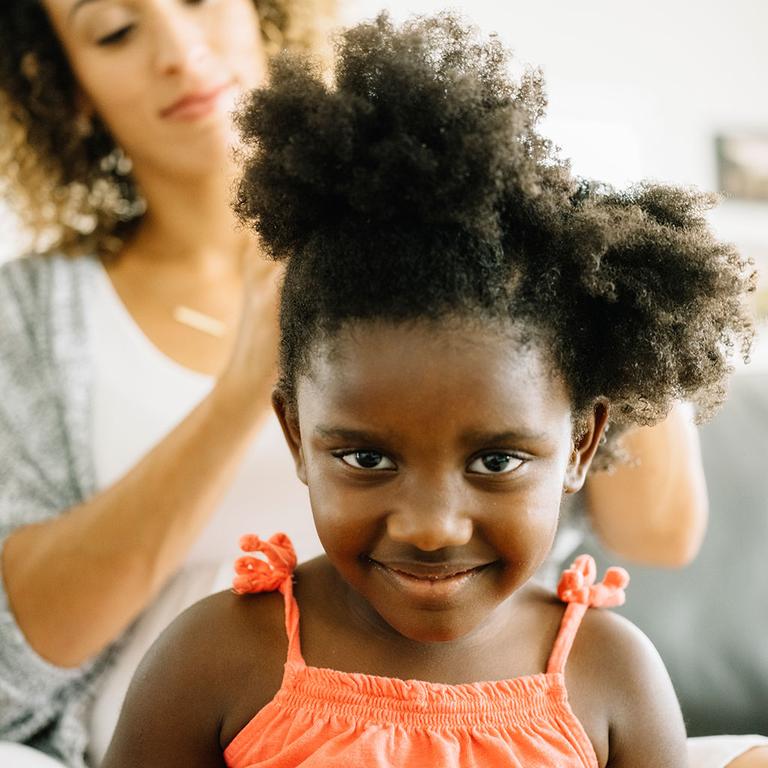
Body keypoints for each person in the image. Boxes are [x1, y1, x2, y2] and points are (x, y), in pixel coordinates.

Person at [101, 13, 754, 766]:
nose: (433, 527)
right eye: (368, 461)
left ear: (582, 443)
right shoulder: (215, 656)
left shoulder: (611, 675)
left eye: (498, 462)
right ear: (296, 437)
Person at [0, 1, 335, 766]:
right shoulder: (28, 315)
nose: (180, 54)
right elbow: (10, 667)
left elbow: (663, 530)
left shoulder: (410, 240)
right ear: (65, 84)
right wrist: (247, 382)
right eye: (116, 30)